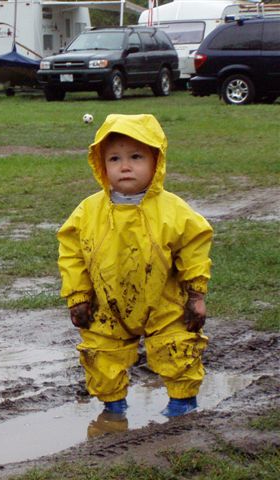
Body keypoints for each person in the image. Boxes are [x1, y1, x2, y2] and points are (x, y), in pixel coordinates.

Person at [57, 113, 213, 418]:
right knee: (101, 354)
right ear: (101, 164)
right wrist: (77, 297)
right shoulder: (88, 211)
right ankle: (113, 407)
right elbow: (71, 252)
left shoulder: (173, 210)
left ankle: (181, 404)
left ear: (157, 161)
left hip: (163, 303)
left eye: (136, 157)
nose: (125, 166)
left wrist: (196, 295)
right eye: (114, 158)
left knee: (178, 346)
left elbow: (195, 246)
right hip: (107, 304)